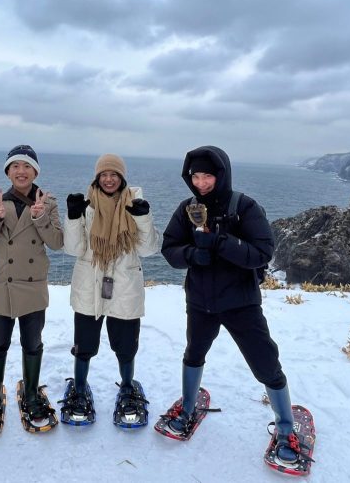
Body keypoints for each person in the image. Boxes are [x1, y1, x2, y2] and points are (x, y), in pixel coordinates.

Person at [160, 146, 300, 463]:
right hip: (200, 302)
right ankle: (187, 405)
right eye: (195, 176)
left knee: (265, 363)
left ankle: (285, 427)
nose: (201, 182)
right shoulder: (187, 208)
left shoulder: (244, 207)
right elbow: (170, 248)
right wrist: (192, 255)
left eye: (207, 175)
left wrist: (222, 243)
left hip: (241, 303)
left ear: (221, 174)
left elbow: (263, 252)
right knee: (194, 354)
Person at [0, 144, 64, 433]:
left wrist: (40, 217)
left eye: (26, 166)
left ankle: (32, 393)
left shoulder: (48, 202)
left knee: (32, 343)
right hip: (1, 286)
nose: (20, 171)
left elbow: (58, 242)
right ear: (8, 171)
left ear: (35, 171)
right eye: (15, 166)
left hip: (33, 286)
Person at [61, 154, 161, 425]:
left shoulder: (134, 205)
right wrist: (72, 217)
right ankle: (80, 388)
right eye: (104, 174)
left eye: (114, 174)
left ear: (121, 178)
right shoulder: (86, 206)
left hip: (125, 287)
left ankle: (127, 387)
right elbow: (73, 249)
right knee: (84, 347)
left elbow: (149, 249)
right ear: (97, 177)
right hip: (89, 287)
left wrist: (142, 218)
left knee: (126, 347)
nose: (108, 179)